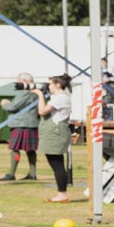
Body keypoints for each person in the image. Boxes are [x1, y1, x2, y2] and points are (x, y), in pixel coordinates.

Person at [35, 74, 73, 203]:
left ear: (58, 84)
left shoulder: (61, 98)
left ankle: (62, 194)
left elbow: (42, 111)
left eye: (50, 84)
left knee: (57, 164)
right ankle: (61, 193)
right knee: (56, 163)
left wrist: (40, 95)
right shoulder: (58, 98)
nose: (48, 86)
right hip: (53, 133)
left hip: (55, 133)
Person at [0, 73, 41, 181]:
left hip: (21, 124)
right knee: (31, 150)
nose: (17, 84)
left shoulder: (25, 92)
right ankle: (32, 174)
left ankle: (11, 173)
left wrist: (5, 104)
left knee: (15, 149)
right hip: (31, 124)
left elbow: (13, 107)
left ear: (24, 81)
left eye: (18, 82)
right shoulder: (37, 91)